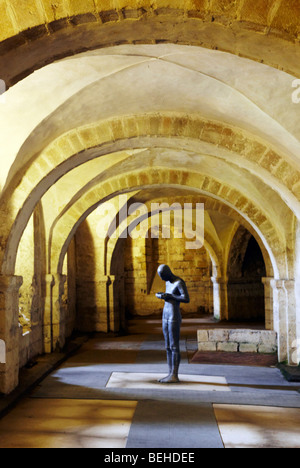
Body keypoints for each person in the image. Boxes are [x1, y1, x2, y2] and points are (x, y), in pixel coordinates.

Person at [156, 265, 190, 383]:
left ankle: (174, 375)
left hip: (174, 315)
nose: (162, 279)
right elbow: (169, 295)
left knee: (174, 345)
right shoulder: (167, 282)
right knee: (167, 346)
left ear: (168, 273)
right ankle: (170, 373)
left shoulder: (179, 282)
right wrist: (162, 295)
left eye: (163, 276)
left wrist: (171, 296)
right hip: (165, 314)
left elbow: (186, 298)